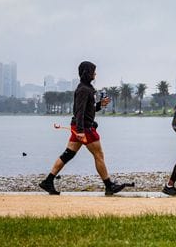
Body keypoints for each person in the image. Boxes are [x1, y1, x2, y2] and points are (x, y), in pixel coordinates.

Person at [39, 61, 128, 196]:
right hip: (84, 128)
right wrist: (80, 131)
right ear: (87, 73)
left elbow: (88, 109)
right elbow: (79, 111)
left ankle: (48, 181)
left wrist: (99, 105)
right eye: (93, 71)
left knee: (68, 154)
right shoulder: (83, 90)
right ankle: (109, 185)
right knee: (98, 155)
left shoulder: (87, 88)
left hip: (80, 126)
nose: (95, 74)